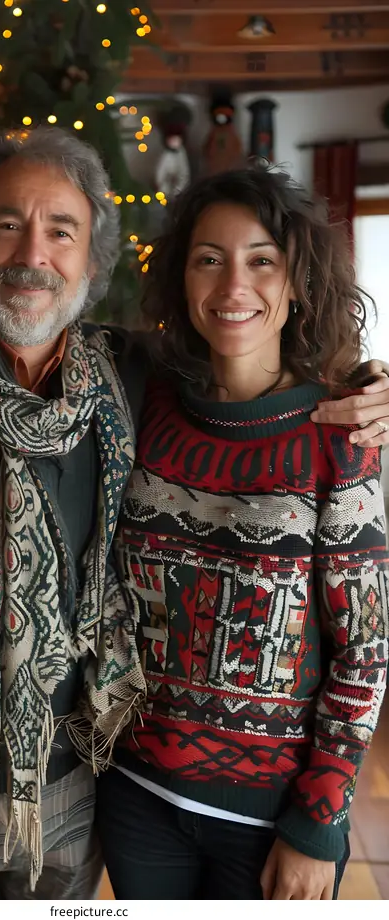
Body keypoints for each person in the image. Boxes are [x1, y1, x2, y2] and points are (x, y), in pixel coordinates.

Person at [0, 130, 389, 901]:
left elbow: (253, 350)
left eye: (62, 230)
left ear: (92, 262)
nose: (32, 252)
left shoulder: (124, 379)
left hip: (76, 794)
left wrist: (367, 381)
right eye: (6, 223)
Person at [89, 166, 389, 900]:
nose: (233, 286)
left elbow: (365, 647)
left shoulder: (342, 430)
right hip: (135, 796)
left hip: (269, 821)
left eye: (262, 260)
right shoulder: (141, 395)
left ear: (297, 285)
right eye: (209, 259)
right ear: (182, 280)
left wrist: (321, 819)